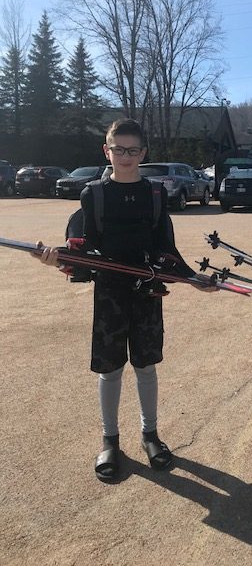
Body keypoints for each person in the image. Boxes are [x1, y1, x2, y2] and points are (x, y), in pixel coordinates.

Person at [36, 118, 216, 482]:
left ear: (143, 153)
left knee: (146, 366)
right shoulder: (93, 195)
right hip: (110, 293)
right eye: (119, 150)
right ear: (107, 151)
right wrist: (61, 260)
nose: (126, 157)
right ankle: (110, 439)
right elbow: (84, 248)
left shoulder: (154, 194)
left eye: (133, 150)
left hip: (146, 291)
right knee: (111, 369)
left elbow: (165, 246)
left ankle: (150, 435)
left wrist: (191, 277)